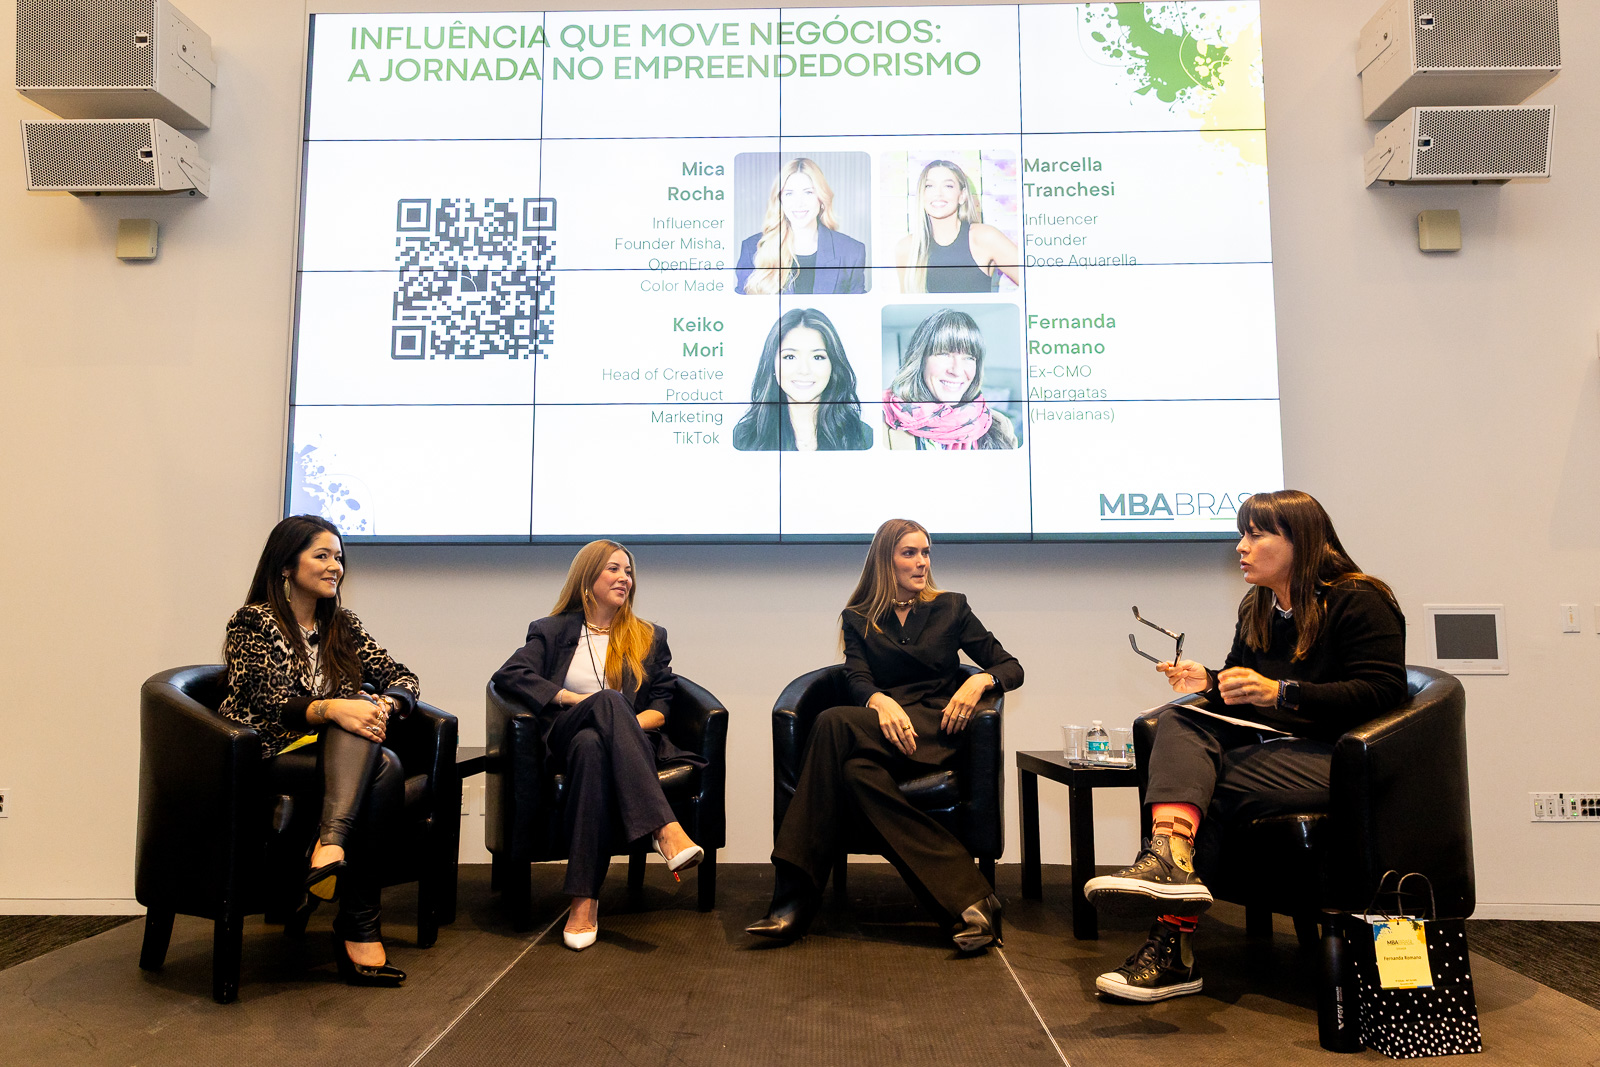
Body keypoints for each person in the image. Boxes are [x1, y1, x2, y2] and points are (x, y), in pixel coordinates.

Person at [1086, 489, 1407, 1002]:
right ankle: (1171, 857)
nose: (1241, 547)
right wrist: (1211, 681)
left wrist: (1282, 693)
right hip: (1273, 748)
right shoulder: (1258, 605)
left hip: (1340, 756)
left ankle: (1172, 940)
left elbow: (1383, 693)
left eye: (1255, 535)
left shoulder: (1360, 599)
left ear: (1300, 540)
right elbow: (1245, 690)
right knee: (1179, 720)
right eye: (1242, 535)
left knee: (1201, 784)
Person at [747, 518, 1023, 951]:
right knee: (855, 775)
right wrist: (878, 700)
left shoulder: (952, 607)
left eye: (926, 552)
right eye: (909, 553)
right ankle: (973, 902)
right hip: (885, 732)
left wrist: (980, 681)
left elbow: (1011, 666)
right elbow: (856, 677)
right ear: (885, 560)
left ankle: (793, 899)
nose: (922, 562)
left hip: (934, 731)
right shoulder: (859, 618)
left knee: (832, 722)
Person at [219, 515, 418, 987]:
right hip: (268, 751)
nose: (335, 567)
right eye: (322, 556)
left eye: (339, 557)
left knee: (373, 744)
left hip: (334, 751)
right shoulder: (253, 622)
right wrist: (334, 708)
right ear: (287, 565)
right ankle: (357, 923)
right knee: (378, 755)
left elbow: (403, 677)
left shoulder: (341, 624)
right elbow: (268, 700)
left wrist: (383, 704)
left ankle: (330, 850)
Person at [491, 540, 706, 951]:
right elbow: (510, 674)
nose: (625, 578)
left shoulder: (648, 636)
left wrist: (616, 725)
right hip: (563, 735)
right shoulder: (552, 630)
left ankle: (583, 903)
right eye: (613, 569)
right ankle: (665, 829)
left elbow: (661, 708)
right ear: (587, 578)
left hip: (614, 743)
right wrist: (572, 699)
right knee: (607, 702)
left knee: (594, 744)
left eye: (629, 571)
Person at [731, 308, 874, 451]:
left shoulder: (863, 437)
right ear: (772, 364)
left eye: (817, 357)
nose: (804, 370)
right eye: (790, 357)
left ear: (833, 366)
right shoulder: (743, 437)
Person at [883, 309, 1018, 450]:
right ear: (920, 360)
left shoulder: (1001, 426)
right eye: (944, 354)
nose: (957, 371)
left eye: (969, 358)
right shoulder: (880, 424)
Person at [736, 157, 867, 295]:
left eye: (808, 192)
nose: (798, 203)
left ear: (821, 198)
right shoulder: (752, 248)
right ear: (780, 200)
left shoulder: (852, 251)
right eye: (789, 193)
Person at [894, 159, 1019, 294]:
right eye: (929, 186)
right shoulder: (907, 248)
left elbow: (1034, 283)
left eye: (948, 186)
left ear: (962, 196)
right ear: (921, 195)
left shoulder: (985, 238)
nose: (938, 194)